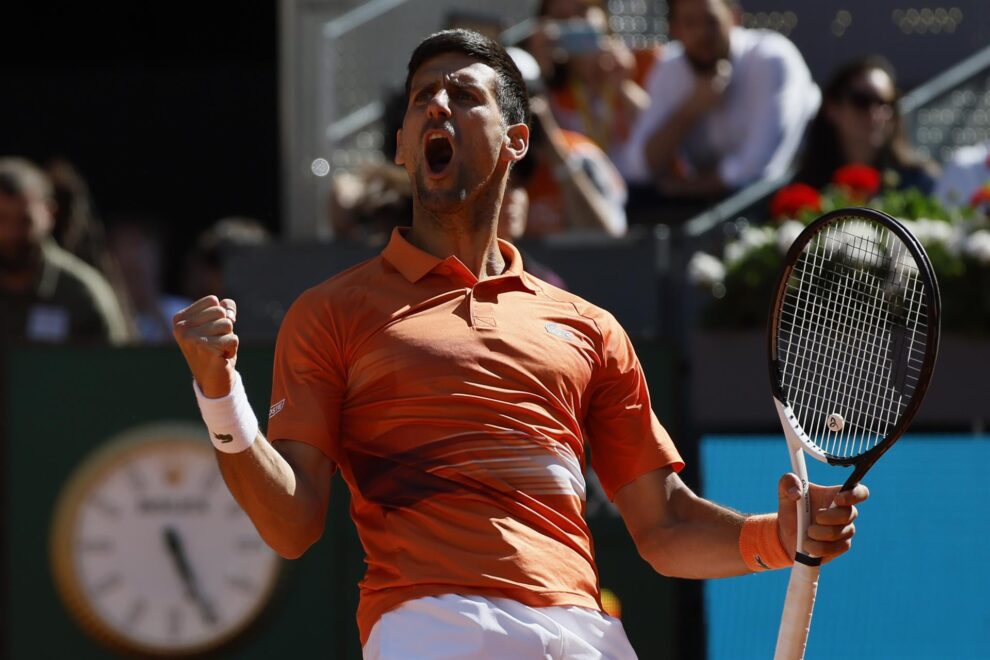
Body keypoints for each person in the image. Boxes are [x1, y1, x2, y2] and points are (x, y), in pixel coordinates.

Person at [173, 30, 868, 658]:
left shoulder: (590, 328)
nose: (436, 106)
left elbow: (663, 524)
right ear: (402, 146)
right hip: (433, 626)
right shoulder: (331, 313)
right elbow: (292, 525)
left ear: (516, 140)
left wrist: (780, 537)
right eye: (422, 98)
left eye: (463, 93)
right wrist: (219, 396)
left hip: (580, 631)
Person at [619, 0, 819, 199]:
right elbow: (638, 167)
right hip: (708, 211)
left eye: (711, 21)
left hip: (797, 207)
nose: (702, 34)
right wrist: (689, 111)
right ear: (675, 30)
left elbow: (760, 169)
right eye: (690, 23)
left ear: (734, 18)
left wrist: (686, 188)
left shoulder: (772, 58)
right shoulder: (669, 68)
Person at [0, 157, 129, 344]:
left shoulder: (80, 293)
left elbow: (113, 367)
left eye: (24, 221)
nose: (12, 232)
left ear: (49, 213)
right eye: (2, 219)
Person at [527, 0, 654, 161]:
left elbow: (656, 130)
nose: (574, 23)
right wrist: (541, 71)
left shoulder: (636, 63)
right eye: (562, 18)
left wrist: (623, 86)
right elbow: (547, 146)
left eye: (582, 10)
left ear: (603, 16)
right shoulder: (549, 89)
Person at [794, 55, 940, 194]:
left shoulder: (920, 182)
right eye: (862, 101)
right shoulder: (805, 190)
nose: (875, 114)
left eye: (886, 103)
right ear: (832, 108)